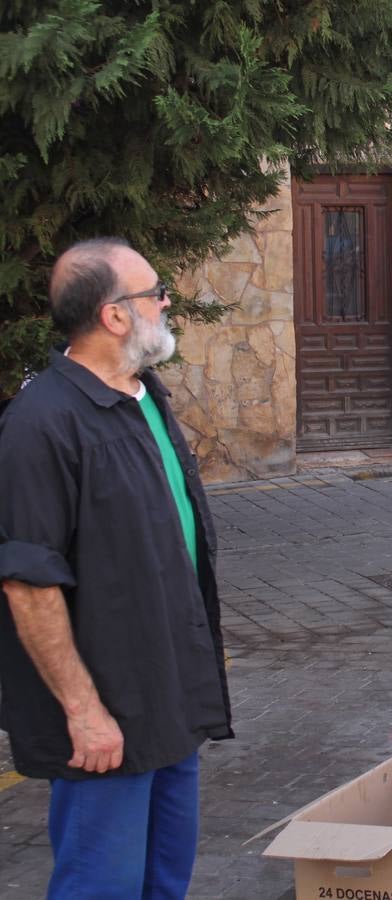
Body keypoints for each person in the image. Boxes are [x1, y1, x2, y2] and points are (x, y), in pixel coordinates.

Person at [0, 238, 234, 897]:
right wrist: (83, 710)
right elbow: (28, 582)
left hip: (169, 698)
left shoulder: (144, 396)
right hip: (105, 719)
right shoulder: (42, 422)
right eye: (156, 293)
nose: (167, 303)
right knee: (101, 883)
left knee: (165, 879)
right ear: (114, 315)